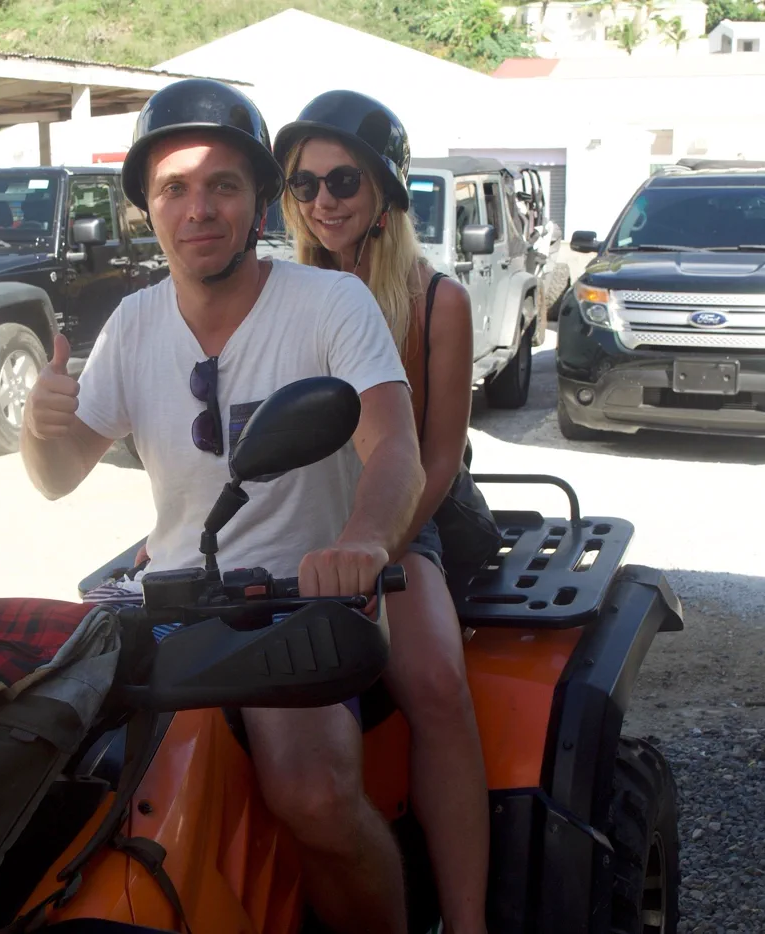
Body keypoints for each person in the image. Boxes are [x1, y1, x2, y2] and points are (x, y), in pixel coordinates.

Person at [19, 78, 424, 934]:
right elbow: (58, 476)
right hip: (173, 606)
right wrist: (39, 424)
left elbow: (396, 449)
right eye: (175, 188)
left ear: (257, 203)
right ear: (147, 208)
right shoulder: (132, 325)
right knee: (57, 784)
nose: (197, 208)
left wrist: (359, 540)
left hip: (295, 604)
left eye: (222, 186)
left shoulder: (330, 304)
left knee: (313, 794)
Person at [273, 90, 491, 934]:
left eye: (342, 180)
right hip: (296, 509)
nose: (322, 201)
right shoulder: (280, 291)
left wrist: (377, 544)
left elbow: (437, 457)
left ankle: (467, 920)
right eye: (303, 184)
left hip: (401, 510)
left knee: (436, 683)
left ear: (386, 193)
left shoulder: (439, 301)